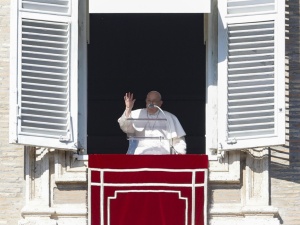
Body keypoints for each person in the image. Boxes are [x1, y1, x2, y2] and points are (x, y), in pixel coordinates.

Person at [118, 91, 187, 154]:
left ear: (160, 103)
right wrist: (128, 108)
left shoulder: (169, 117)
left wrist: (179, 155)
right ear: (146, 101)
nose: (151, 103)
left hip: (163, 156)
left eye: (154, 101)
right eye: (149, 100)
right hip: (141, 155)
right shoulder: (136, 114)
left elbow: (178, 141)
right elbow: (126, 128)